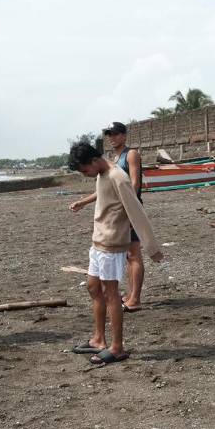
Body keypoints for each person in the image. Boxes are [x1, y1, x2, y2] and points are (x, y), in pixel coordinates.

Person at [68, 141, 164, 365]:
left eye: (84, 170)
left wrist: (152, 248)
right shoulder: (101, 174)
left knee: (111, 293)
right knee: (93, 287)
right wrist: (83, 202)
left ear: (94, 161)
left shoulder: (118, 177)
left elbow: (137, 211)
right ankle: (99, 339)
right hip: (98, 241)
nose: (85, 175)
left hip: (112, 244)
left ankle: (117, 347)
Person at [86, 121, 146, 311]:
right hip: (120, 212)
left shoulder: (131, 154)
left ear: (124, 135)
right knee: (129, 255)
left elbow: (133, 185)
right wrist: (83, 202)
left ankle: (135, 299)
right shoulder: (115, 157)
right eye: (109, 134)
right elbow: (108, 189)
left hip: (130, 209)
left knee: (135, 254)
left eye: (114, 134)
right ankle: (130, 294)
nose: (111, 138)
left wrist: (129, 211)